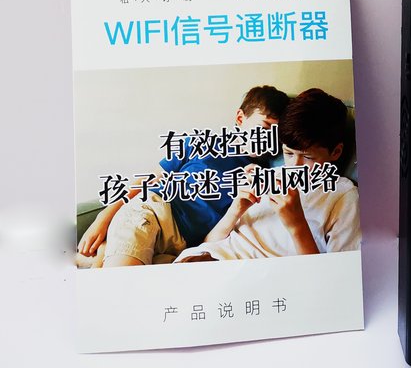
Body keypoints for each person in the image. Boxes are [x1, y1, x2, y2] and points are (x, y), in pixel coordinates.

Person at [76, 85, 290, 267]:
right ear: (240, 118)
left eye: (276, 134)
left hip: (182, 247)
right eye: (264, 128)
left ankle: (97, 255)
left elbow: (213, 241)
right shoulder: (201, 144)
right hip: (153, 213)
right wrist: (102, 218)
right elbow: (148, 180)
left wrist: (237, 209)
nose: (268, 138)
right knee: (124, 284)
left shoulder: (262, 179)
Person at [174, 88, 360, 262]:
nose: (294, 166)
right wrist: (236, 209)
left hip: (253, 273)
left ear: (336, 152)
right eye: (288, 153)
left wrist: (297, 225)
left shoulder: (344, 197)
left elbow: (337, 276)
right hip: (206, 257)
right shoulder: (270, 176)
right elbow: (208, 243)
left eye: (307, 157)